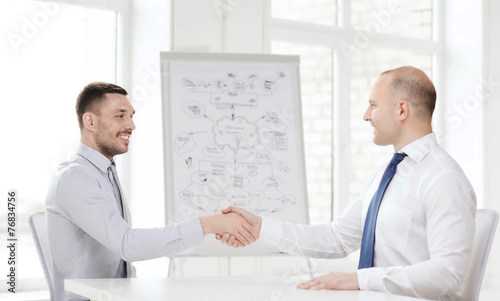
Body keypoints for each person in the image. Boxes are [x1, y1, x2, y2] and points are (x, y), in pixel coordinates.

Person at [218, 66, 477, 301]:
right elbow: (337, 238)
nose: (366, 116)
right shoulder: (385, 174)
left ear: (401, 110)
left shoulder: (444, 179)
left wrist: (358, 280)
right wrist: (261, 227)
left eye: (373, 105)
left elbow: (447, 273)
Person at [45, 82, 257, 301]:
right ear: (90, 121)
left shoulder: (105, 171)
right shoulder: (75, 178)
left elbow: (121, 262)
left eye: (131, 116)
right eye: (120, 116)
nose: (131, 125)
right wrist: (206, 224)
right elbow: (126, 245)